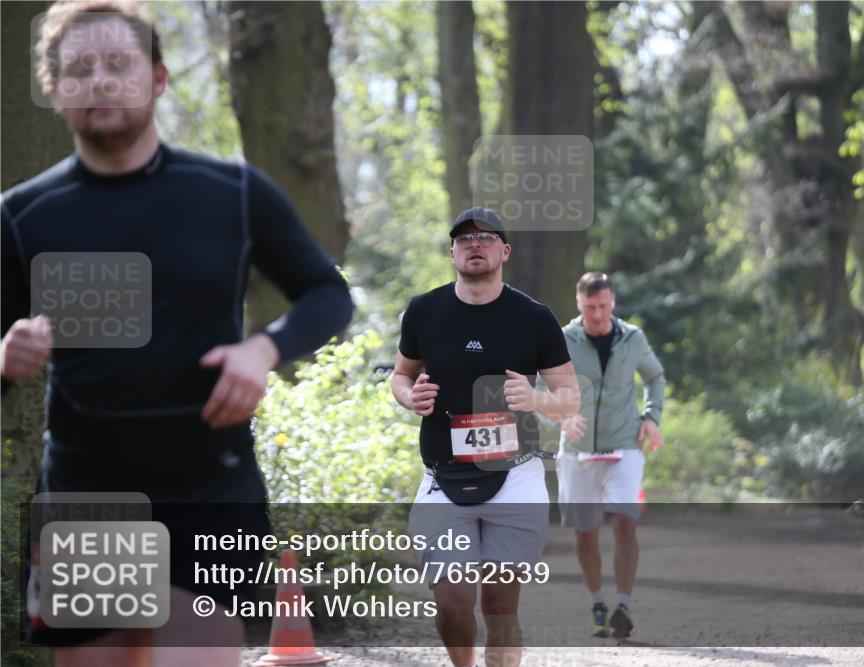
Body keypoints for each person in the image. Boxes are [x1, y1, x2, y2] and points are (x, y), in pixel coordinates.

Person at [0, 2, 353, 665]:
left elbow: (329, 292)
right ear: (53, 91)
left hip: (210, 485)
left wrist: (264, 347)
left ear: (158, 79)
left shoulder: (233, 193)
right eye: (78, 68)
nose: (100, 80)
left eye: (118, 64)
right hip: (88, 491)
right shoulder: (23, 216)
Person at [391, 206, 580, 667]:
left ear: (505, 250)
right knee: (452, 603)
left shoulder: (534, 317)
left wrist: (535, 400)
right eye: (465, 239)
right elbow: (400, 375)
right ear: (453, 251)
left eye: (486, 237)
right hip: (443, 476)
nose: (475, 244)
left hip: (514, 478)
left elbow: (570, 398)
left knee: (499, 608)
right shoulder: (424, 311)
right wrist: (409, 396)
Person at [557, 272, 664, 638]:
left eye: (603, 306)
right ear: (579, 304)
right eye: (590, 307)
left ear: (613, 302)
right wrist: (562, 417)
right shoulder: (563, 340)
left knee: (623, 520)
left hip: (624, 444)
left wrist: (652, 417)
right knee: (586, 533)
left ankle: (624, 606)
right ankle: (598, 602)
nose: (597, 314)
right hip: (577, 451)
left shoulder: (633, 338)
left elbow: (655, 377)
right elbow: (541, 388)